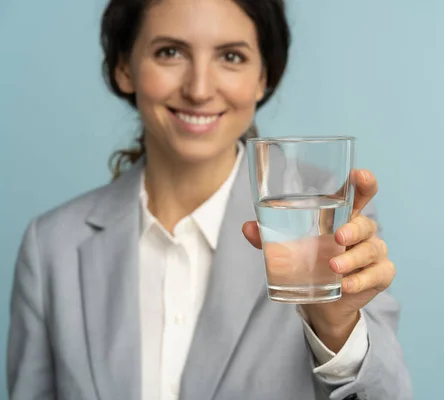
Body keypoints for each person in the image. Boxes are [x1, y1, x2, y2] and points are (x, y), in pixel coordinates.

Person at [6, 0, 413, 399]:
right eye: (170, 52)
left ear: (263, 76)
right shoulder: (51, 248)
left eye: (231, 56)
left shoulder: (328, 217)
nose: (199, 89)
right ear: (124, 67)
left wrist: (337, 328)